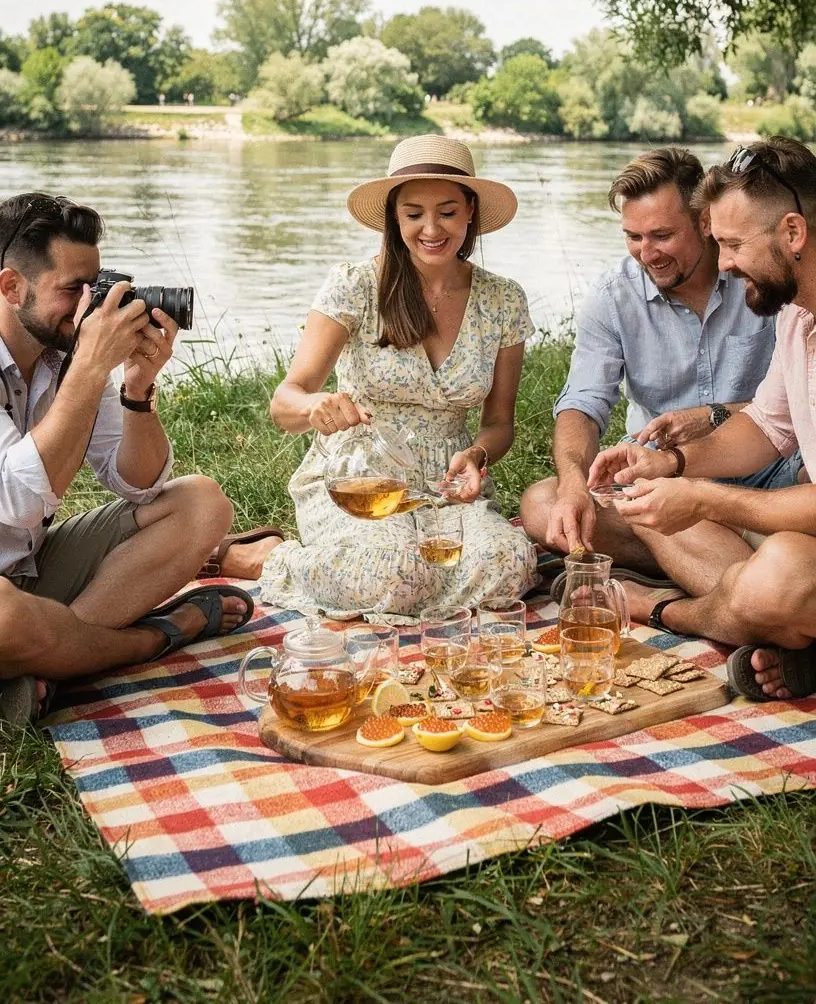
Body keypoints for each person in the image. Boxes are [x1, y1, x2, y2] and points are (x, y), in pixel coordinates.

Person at [254, 136, 538, 623]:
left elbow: (500, 423)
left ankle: (412, 585)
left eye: (447, 212)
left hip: (444, 483)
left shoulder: (503, 299)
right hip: (361, 478)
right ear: (394, 218)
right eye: (413, 214)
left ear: (470, 211)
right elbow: (285, 401)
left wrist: (475, 455)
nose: (431, 229)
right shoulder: (355, 285)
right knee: (391, 569)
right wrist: (314, 406)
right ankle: (264, 556)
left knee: (509, 562)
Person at [0, 192, 252, 727]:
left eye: (97, 287)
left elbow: (137, 484)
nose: (92, 308)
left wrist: (137, 390)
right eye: (73, 291)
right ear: (10, 286)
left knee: (201, 503)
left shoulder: (64, 351)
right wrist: (91, 368)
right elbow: (15, 504)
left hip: (32, 569)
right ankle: (150, 638)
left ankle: (52, 662)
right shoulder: (80, 358)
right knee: (5, 618)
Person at [588, 138, 816, 702]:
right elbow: (766, 425)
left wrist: (705, 500)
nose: (727, 261)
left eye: (735, 244)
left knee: (779, 575)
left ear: (793, 233)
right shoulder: (795, 316)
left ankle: (671, 610)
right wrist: (670, 464)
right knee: (778, 565)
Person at [520, 147, 797, 567]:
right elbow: (582, 403)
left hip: (771, 472)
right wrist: (574, 484)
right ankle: (749, 570)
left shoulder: (761, 277)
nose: (647, 254)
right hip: (660, 472)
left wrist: (713, 415)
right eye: (634, 237)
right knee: (543, 504)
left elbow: (788, 411)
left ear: (704, 222)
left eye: (662, 235)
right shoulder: (614, 295)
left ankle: (718, 565)